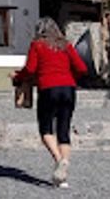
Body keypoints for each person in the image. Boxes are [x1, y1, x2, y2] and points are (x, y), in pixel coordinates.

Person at [13, 17, 87, 188]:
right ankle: (62, 177)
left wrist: (18, 77)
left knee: (45, 129)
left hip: (48, 88)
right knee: (64, 130)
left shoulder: (37, 44)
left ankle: (60, 160)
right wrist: (69, 77)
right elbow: (81, 68)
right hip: (68, 89)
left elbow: (30, 68)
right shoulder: (66, 45)